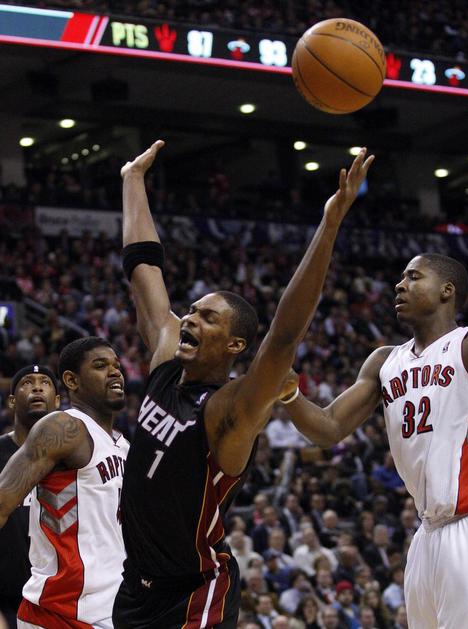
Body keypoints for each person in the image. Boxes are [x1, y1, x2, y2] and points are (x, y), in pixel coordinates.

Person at [113, 140, 373, 628]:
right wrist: (132, 181)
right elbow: (143, 270)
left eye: (208, 318)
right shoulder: (167, 363)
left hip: (193, 593)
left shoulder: (229, 410)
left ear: (235, 345)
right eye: (192, 311)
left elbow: (285, 335)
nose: (190, 319)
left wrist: (330, 223)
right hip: (134, 585)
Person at [285, 253, 468, 628]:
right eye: (402, 277)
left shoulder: (465, 346)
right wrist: (289, 394)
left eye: (414, 277)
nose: (400, 285)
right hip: (427, 532)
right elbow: (328, 427)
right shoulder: (385, 361)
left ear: (446, 291)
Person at [0, 337, 129, 629]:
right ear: (71, 380)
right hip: (59, 613)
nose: (114, 372)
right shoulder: (63, 428)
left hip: (112, 609)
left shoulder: (123, 447)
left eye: (117, 366)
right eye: (100, 366)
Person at [0, 365, 60, 628]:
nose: (37, 387)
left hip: (61, 601)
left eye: (45, 382)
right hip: (8, 602)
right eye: (27, 382)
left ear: (57, 400)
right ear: (12, 401)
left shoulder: (75, 459)